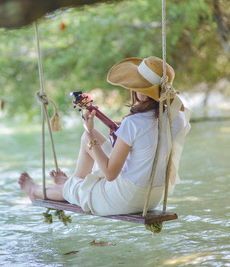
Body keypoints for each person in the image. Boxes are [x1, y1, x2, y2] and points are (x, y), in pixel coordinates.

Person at [19, 56, 190, 215]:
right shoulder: (178, 118)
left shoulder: (134, 123)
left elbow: (110, 174)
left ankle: (36, 191)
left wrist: (90, 130)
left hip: (127, 199)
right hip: (155, 197)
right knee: (87, 138)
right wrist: (93, 135)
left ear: (142, 91)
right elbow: (147, 146)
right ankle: (74, 185)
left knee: (88, 138)